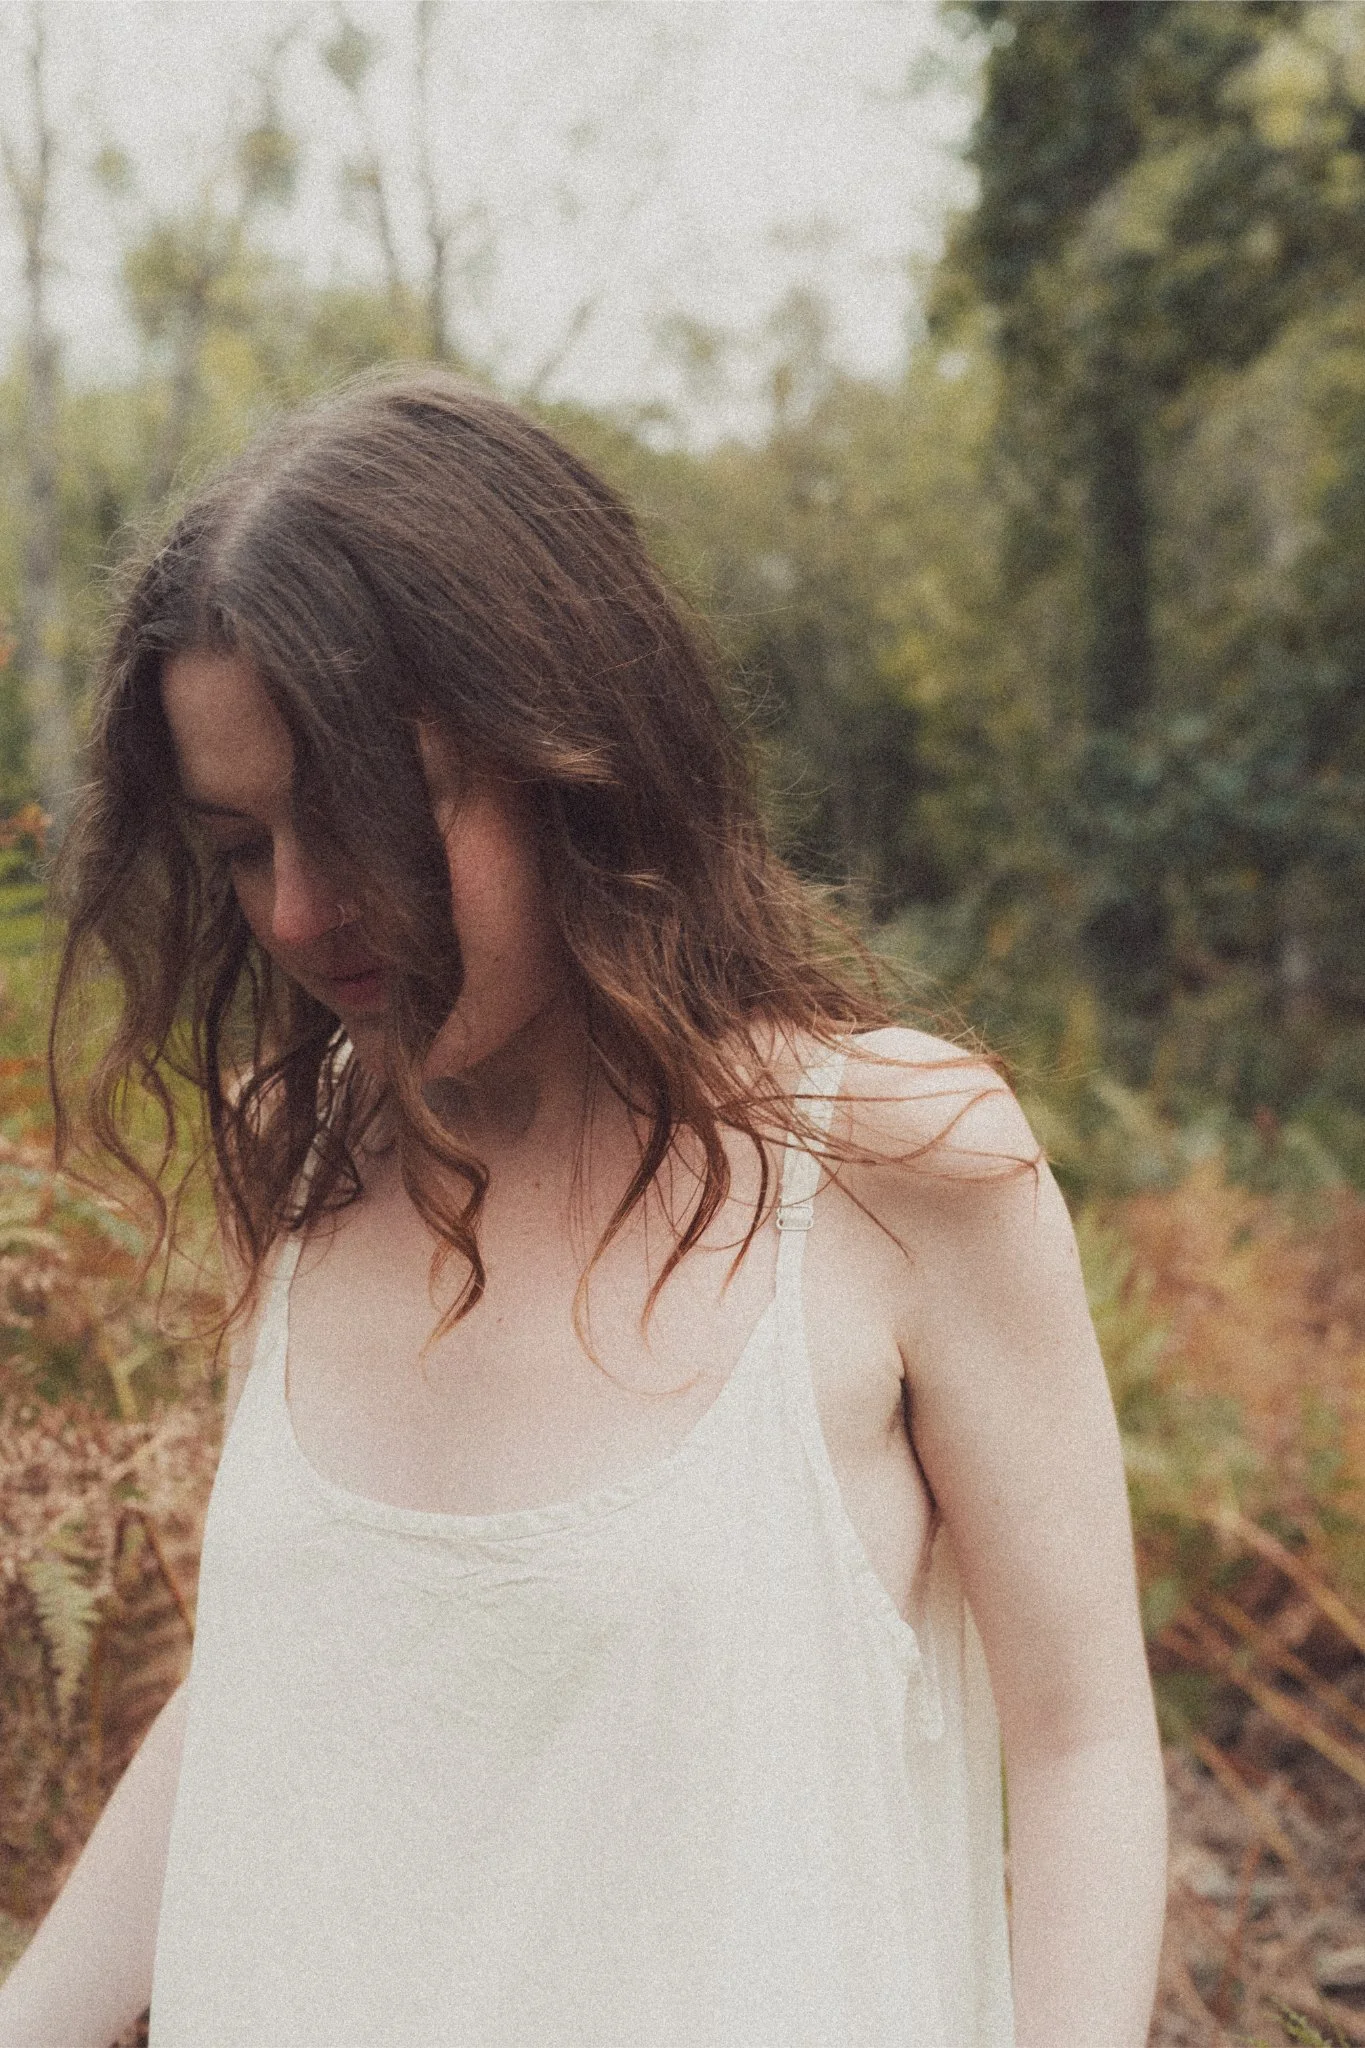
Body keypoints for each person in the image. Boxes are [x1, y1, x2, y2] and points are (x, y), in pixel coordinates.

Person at [1, 371, 1166, 2048]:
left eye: (366, 810)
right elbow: (273, 1693)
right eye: (241, 846)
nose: (306, 909)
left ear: (573, 749)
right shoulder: (302, 1158)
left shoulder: (891, 1164)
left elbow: (1084, 1751)